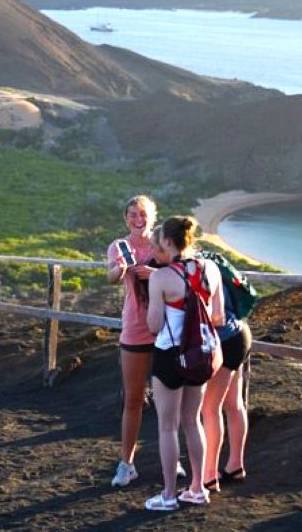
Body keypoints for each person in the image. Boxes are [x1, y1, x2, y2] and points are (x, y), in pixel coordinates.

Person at [143, 216, 226, 511]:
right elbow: (218, 317)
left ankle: (167, 495)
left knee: (167, 427)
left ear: (167, 241)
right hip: (199, 355)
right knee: (193, 422)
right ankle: (197, 489)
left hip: (169, 355)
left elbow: (153, 325)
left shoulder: (161, 277)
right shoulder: (212, 269)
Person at [106, 195, 160, 488]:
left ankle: (171, 458)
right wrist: (121, 269)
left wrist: (155, 272)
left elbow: (185, 270)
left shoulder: (163, 242)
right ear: (125, 218)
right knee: (134, 399)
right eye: (132, 215)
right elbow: (111, 276)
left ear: (152, 216)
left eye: (142, 214)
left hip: (166, 330)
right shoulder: (119, 246)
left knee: (169, 401)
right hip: (136, 329)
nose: (138, 219)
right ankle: (127, 464)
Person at [201, 261, 253, 490]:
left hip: (223, 339)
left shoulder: (193, 268)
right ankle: (235, 465)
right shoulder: (212, 261)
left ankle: (209, 476)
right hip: (241, 333)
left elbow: (215, 316)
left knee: (209, 409)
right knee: (234, 403)